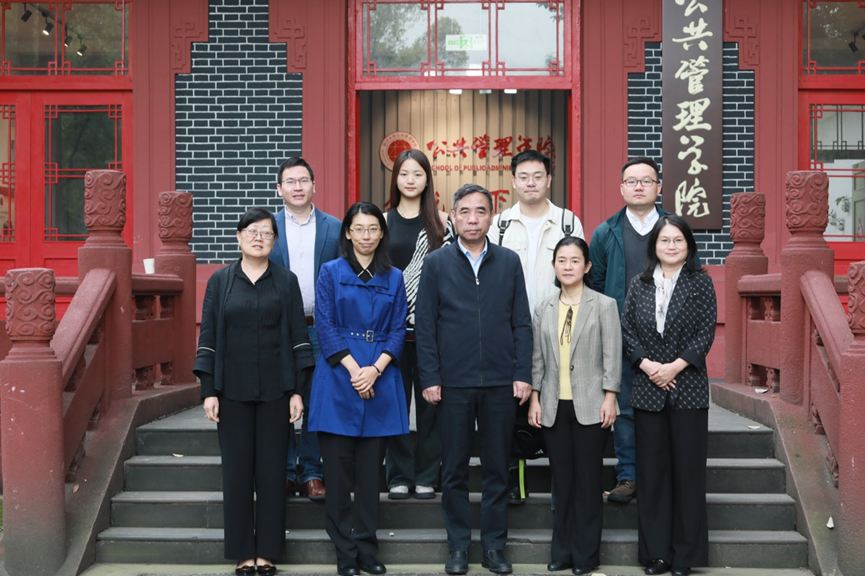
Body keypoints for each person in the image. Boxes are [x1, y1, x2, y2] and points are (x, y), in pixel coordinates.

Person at [416, 184, 533, 576]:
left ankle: (495, 547)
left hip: (500, 381)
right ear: (452, 216)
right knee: (453, 469)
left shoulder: (509, 262)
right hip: (453, 382)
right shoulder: (436, 263)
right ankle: (458, 547)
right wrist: (430, 376)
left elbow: (521, 321)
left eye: (480, 211)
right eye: (464, 211)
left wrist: (522, 373)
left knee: (498, 467)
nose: (472, 219)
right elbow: (426, 326)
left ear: (491, 216)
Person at [195, 207, 314, 576]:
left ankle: (268, 551)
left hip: (277, 392)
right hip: (231, 392)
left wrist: (297, 391)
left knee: (272, 472)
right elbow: (208, 336)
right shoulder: (220, 281)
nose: (258, 237)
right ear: (238, 237)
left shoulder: (286, 281)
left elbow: (299, 337)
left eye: (266, 232)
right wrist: (209, 390)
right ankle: (243, 552)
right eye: (251, 231)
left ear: (274, 241)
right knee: (236, 473)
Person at [307, 202, 410, 576]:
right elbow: (325, 325)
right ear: (348, 233)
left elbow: (398, 329)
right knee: (337, 477)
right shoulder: (331, 272)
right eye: (359, 229)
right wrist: (355, 371)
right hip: (339, 377)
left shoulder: (394, 277)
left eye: (373, 229)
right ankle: (345, 553)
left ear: (382, 234)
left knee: (370, 477)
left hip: (380, 378)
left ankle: (367, 549)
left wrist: (375, 369)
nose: (366, 236)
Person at [620, 215, 716, 576]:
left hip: (688, 389)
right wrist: (648, 366)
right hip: (648, 389)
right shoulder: (639, 284)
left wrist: (674, 367)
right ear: (654, 246)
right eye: (664, 240)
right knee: (652, 475)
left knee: (688, 475)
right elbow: (627, 330)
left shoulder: (701, 283)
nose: (671, 246)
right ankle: (656, 554)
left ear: (688, 246)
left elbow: (705, 333)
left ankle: (685, 555)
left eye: (678, 240)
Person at [489, 149, 585, 504]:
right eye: (524, 177)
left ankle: (562, 481)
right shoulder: (500, 224)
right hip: (509, 330)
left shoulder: (568, 223)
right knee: (509, 408)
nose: (531, 183)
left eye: (538, 176)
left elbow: (579, 272)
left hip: (558, 327)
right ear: (513, 182)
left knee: (559, 403)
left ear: (549, 180)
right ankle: (514, 480)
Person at [528, 236, 621, 575]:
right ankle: (562, 552)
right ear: (554, 265)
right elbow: (537, 359)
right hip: (554, 405)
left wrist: (610, 396)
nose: (568, 266)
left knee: (588, 482)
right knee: (562, 481)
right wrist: (535, 398)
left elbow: (613, 355)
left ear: (587, 266)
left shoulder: (604, 305)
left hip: (592, 405)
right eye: (562, 260)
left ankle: (586, 556)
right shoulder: (544, 308)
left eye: (575, 260)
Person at [588, 157, 669, 504]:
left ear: (658, 188)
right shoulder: (606, 232)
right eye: (632, 181)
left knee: (664, 408)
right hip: (620, 335)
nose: (639, 186)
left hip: (666, 336)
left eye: (646, 181)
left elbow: (692, 277)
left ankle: (660, 476)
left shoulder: (672, 229)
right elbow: (596, 283)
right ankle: (628, 476)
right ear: (621, 188)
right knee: (624, 407)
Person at [384, 149, 454, 501]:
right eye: (404, 173)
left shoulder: (443, 223)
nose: (410, 180)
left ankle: (427, 474)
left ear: (428, 180)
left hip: (433, 332)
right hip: (390, 332)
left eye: (418, 174)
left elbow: (452, 278)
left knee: (432, 407)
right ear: (395, 178)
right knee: (394, 404)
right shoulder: (381, 221)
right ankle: (398, 475)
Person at [270, 156, 341, 501]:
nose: (297, 187)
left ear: (314, 185)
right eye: (290, 181)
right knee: (281, 397)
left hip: (319, 327)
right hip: (277, 329)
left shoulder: (334, 227)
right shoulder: (266, 227)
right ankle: (285, 470)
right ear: (279, 188)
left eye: (303, 181)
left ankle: (311, 470)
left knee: (317, 400)